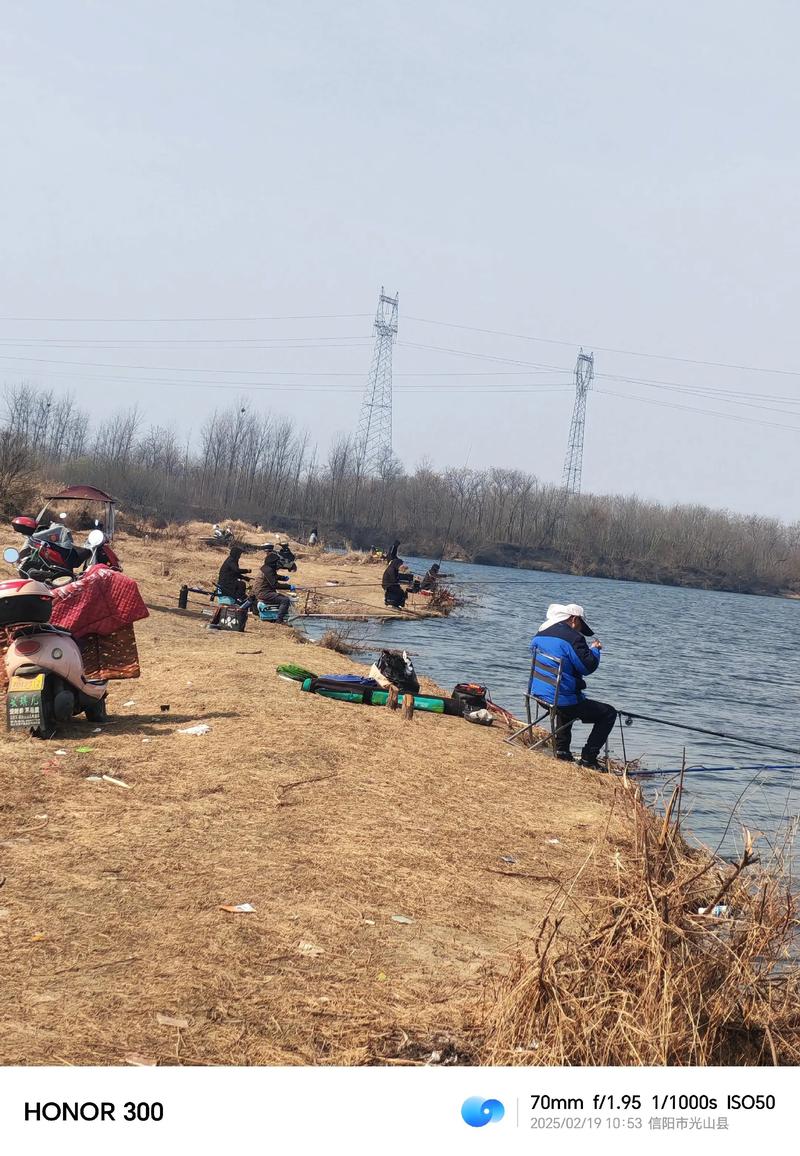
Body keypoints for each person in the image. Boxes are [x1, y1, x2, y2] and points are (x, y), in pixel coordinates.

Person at [529, 602, 617, 770]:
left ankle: (562, 751)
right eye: (580, 627)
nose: (579, 631)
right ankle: (588, 757)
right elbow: (587, 667)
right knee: (608, 713)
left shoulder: (540, 633)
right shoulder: (574, 638)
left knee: (565, 696)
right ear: (574, 619)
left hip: (538, 694)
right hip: (560, 700)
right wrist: (595, 650)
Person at [253, 547, 292, 623]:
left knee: (280, 597)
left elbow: (273, 577)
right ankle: (279, 620)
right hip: (263, 593)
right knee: (285, 600)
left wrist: (283, 578)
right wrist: (289, 586)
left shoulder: (266, 568)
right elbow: (275, 585)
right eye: (277, 562)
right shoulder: (269, 570)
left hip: (262, 591)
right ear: (273, 562)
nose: (278, 564)